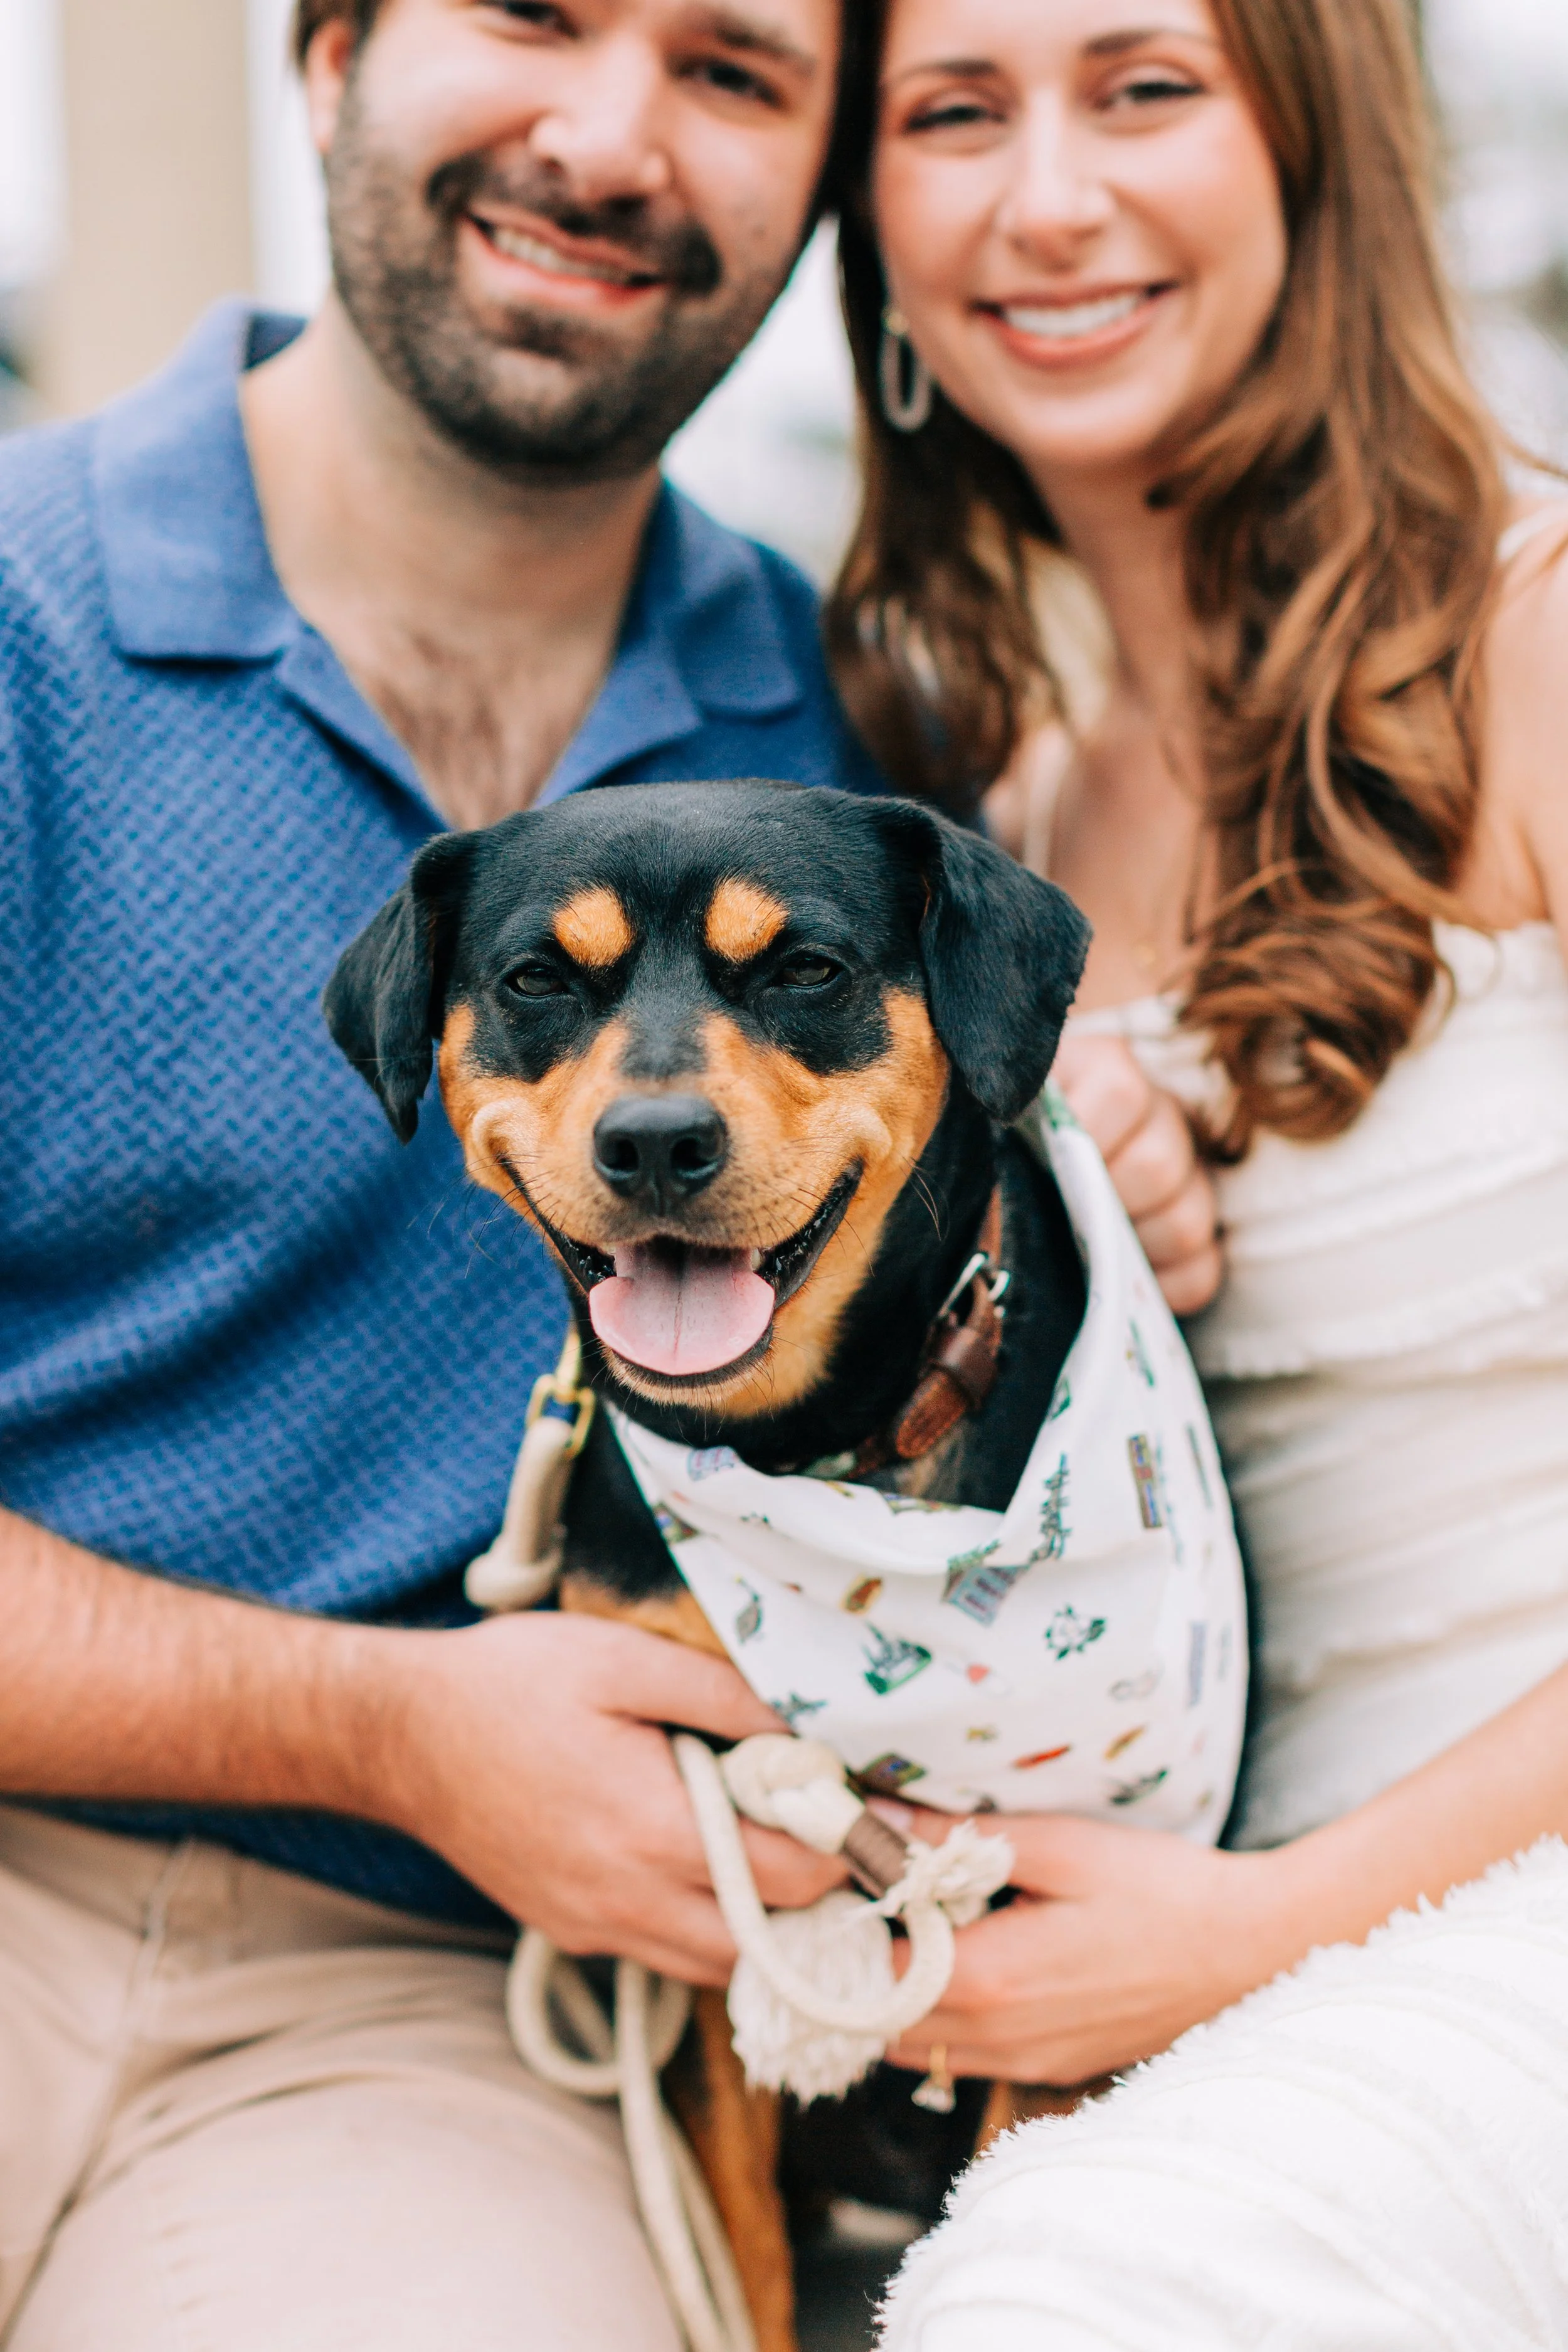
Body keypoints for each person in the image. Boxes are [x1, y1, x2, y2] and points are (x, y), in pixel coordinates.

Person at [0, 0, 882, 2341]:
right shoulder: (12, 619)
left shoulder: (845, 743)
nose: (608, 136)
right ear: (324, 51)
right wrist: (387, 1723)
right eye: (532, 14)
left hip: (420, 2005)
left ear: (821, 178)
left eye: (732, 67)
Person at [817, 0, 1568, 2331]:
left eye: (1142, 89)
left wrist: (1261, 1930)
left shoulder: (1539, 649)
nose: (1046, 198)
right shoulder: (1010, 822)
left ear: (1313, 156)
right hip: (1267, 1905)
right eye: (954, 114)